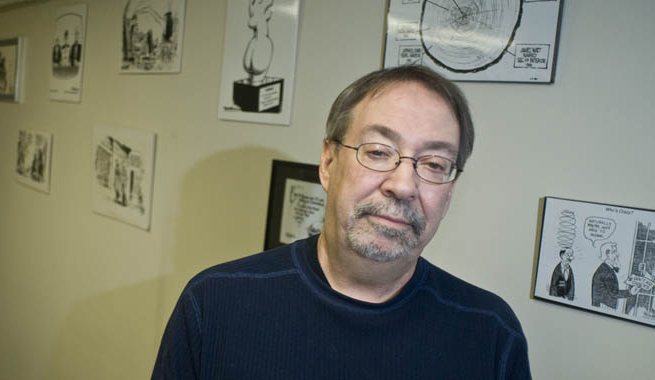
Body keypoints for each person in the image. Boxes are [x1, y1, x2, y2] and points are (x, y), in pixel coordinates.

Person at [152, 65, 531, 379]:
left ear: (449, 192)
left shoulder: (491, 333)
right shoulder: (214, 303)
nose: (403, 185)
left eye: (434, 164)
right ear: (328, 163)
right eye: (379, 152)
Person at [591, 241, 638, 310]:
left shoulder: (606, 268)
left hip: (604, 305)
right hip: (604, 306)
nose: (617, 254)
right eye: (614, 252)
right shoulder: (606, 272)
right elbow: (614, 292)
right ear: (607, 254)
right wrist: (630, 292)